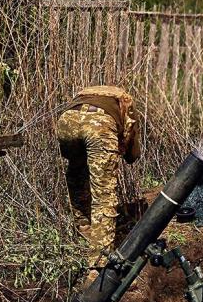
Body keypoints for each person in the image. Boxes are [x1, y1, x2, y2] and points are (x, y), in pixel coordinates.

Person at [55, 85, 142, 260]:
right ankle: (99, 263)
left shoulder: (84, 94)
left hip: (66, 122)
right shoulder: (124, 99)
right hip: (98, 126)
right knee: (103, 195)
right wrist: (130, 155)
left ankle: (84, 233)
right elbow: (132, 137)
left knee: (77, 172)